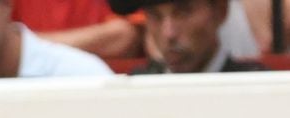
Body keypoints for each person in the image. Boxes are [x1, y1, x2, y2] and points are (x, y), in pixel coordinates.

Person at [110, 0, 266, 72]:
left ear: (220, 11)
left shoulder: (260, 88)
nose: (168, 33)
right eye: (155, 15)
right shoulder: (137, 88)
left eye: (183, 13)